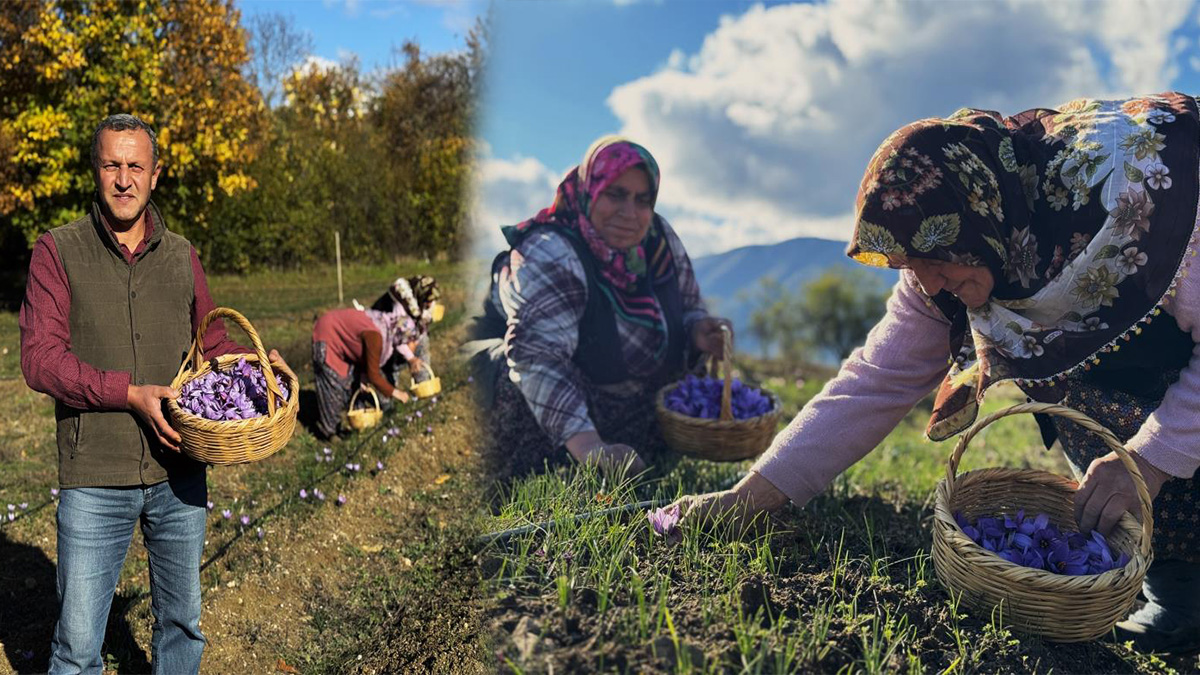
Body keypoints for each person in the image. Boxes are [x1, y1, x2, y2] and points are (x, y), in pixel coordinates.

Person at [676, 92, 1200, 652]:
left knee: (1145, 461)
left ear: (979, 215)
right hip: (1120, 391)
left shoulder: (1142, 198)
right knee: (1100, 442)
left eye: (932, 258)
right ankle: (1181, 599)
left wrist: (1148, 460)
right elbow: (873, 381)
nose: (927, 282)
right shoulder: (950, 260)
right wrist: (751, 495)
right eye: (909, 264)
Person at [19, 114, 287, 674]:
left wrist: (257, 368)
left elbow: (212, 346)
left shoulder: (182, 255)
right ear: (95, 171)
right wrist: (126, 393)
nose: (124, 179)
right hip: (95, 474)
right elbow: (40, 359)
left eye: (135, 166)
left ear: (155, 174)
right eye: (112, 165)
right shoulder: (58, 250)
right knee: (77, 648)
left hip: (179, 470)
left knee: (182, 626)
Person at [466, 136, 732, 477]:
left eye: (642, 200)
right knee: (510, 378)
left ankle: (621, 448)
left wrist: (697, 330)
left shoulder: (658, 239)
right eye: (615, 194)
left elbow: (690, 305)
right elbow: (538, 356)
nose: (629, 213)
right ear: (589, 191)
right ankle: (555, 458)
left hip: (612, 388)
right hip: (541, 385)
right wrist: (590, 446)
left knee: (679, 385)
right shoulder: (551, 251)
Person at [311, 275, 439, 438]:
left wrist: (364, 376)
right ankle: (328, 434)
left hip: (341, 338)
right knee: (333, 383)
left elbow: (366, 356)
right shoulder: (377, 336)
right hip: (327, 335)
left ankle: (336, 427)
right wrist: (396, 393)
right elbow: (374, 374)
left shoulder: (388, 328)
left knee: (347, 383)